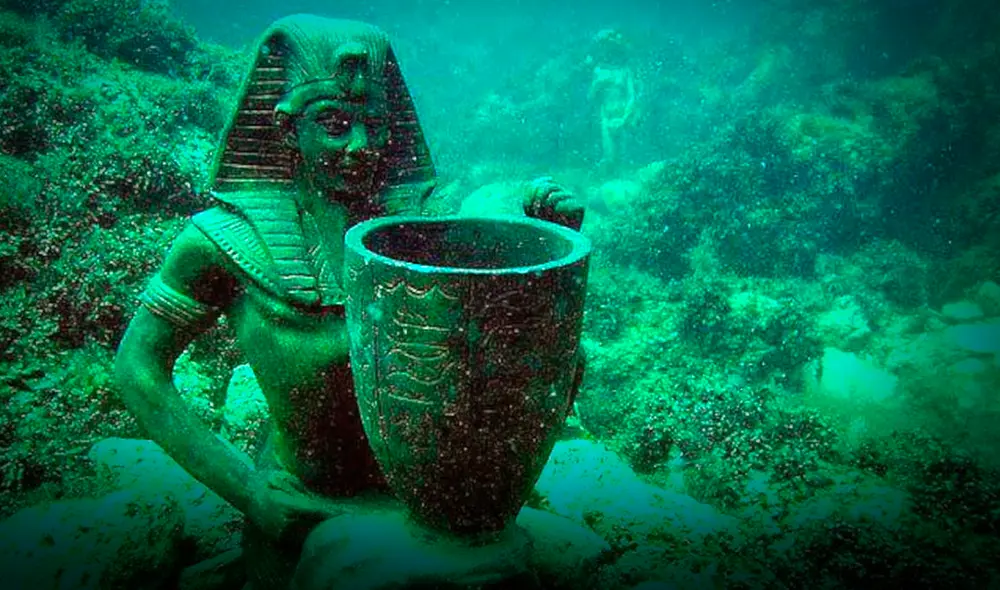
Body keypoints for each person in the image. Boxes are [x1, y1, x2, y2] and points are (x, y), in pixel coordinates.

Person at [113, 14, 586, 590]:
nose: (360, 146)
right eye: (334, 124)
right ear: (287, 129)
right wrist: (247, 490)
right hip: (305, 511)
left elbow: (480, 215)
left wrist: (525, 206)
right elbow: (138, 368)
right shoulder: (221, 244)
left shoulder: (418, 228)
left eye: (375, 124)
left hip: (435, 512)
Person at [587, 29, 638, 173]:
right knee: (609, 156)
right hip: (606, 117)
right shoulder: (598, 70)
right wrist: (597, 85)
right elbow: (590, 98)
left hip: (623, 117)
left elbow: (631, 97)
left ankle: (626, 187)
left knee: (624, 157)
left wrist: (625, 118)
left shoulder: (625, 71)